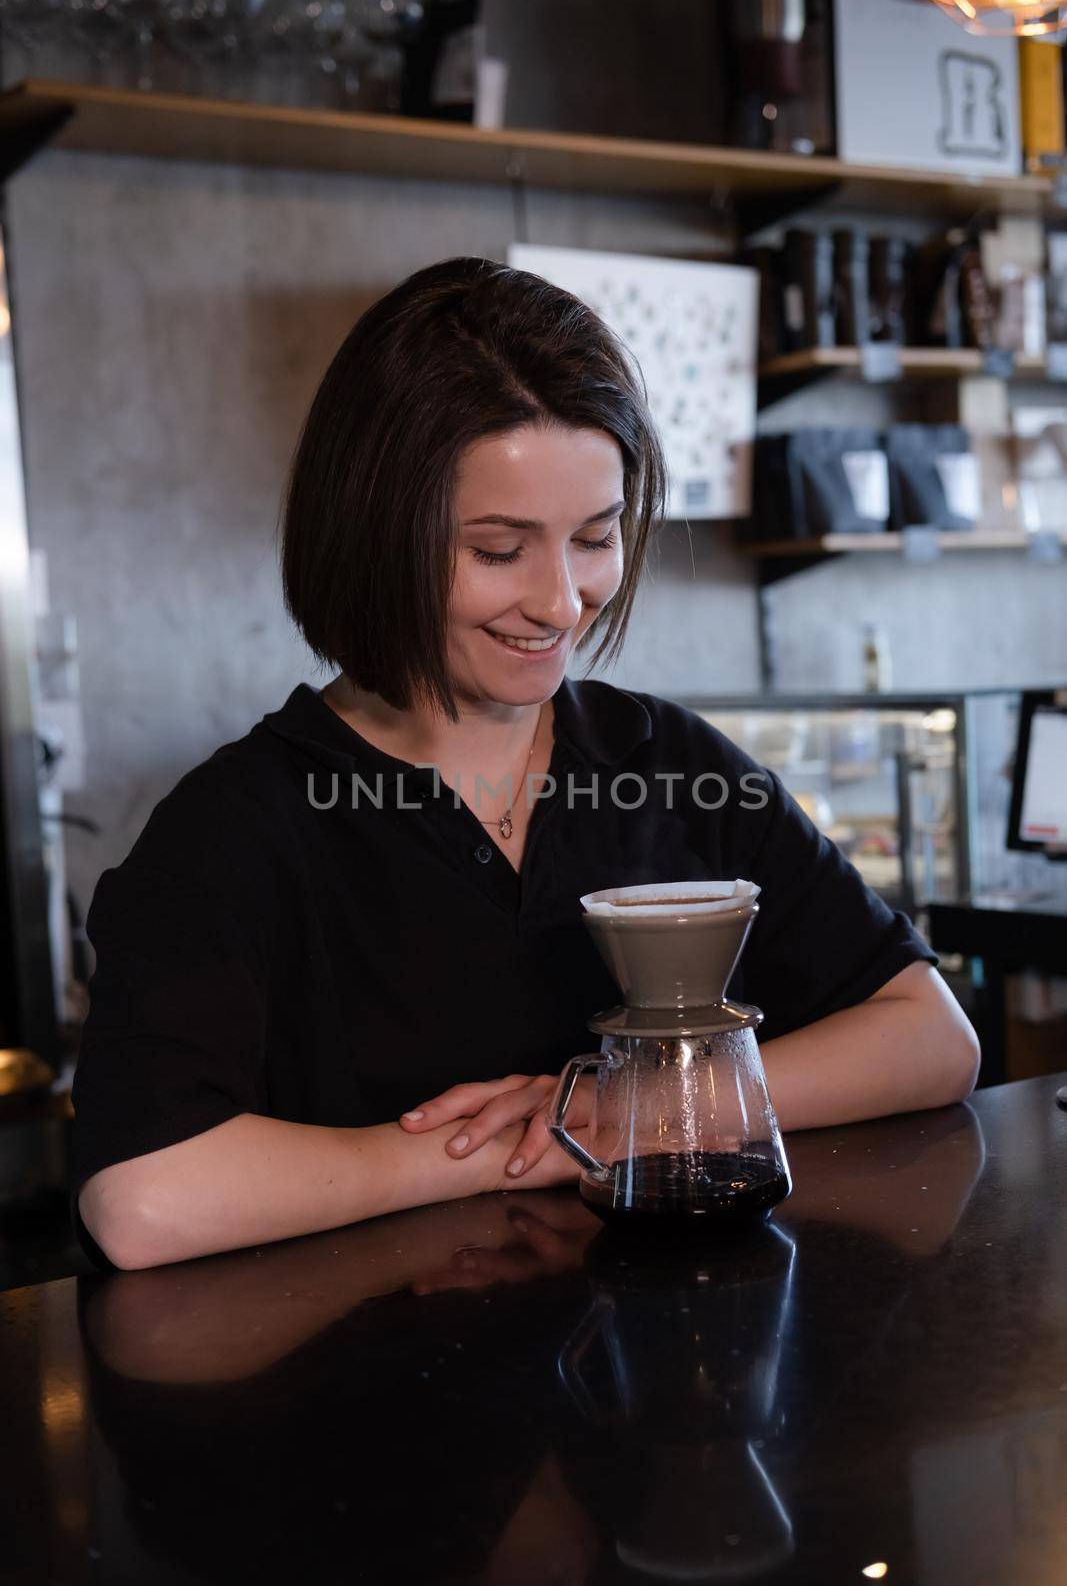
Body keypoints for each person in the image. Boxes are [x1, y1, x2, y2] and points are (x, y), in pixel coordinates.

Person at [71, 256, 980, 1273]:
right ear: (373, 535)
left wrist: (608, 1105)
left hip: (663, 1396)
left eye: (594, 538)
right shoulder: (241, 825)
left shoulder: (666, 763)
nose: (560, 602)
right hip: (378, 1414)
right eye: (499, 551)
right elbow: (142, 1196)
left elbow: (928, 1035)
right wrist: (484, 1154)